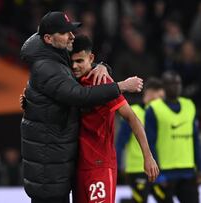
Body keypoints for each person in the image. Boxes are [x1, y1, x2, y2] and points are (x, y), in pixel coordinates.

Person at [20, 11, 143, 203]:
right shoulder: (48, 66)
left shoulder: (57, 55)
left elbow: (83, 66)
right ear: (48, 38)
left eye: (71, 31)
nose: (71, 36)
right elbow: (79, 95)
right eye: (65, 33)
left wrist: (102, 67)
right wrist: (120, 86)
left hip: (62, 166)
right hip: (49, 172)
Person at [69, 35, 159, 203]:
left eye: (79, 61)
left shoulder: (102, 82)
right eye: (71, 61)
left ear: (90, 58)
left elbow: (131, 117)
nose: (74, 66)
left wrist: (148, 156)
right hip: (78, 167)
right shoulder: (70, 82)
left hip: (99, 165)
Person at [145, 71, 201, 203]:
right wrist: (157, 173)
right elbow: (150, 143)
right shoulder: (154, 109)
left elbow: (195, 139)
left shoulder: (189, 106)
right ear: (164, 87)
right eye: (171, 84)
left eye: (178, 83)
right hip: (165, 173)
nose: (176, 86)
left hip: (187, 170)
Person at [116, 77, 165, 203]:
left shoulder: (161, 114)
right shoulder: (134, 112)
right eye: (158, 98)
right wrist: (117, 166)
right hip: (137, 169)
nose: (160, 102)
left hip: (158, 169)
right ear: (148, 94)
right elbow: (121, 142)